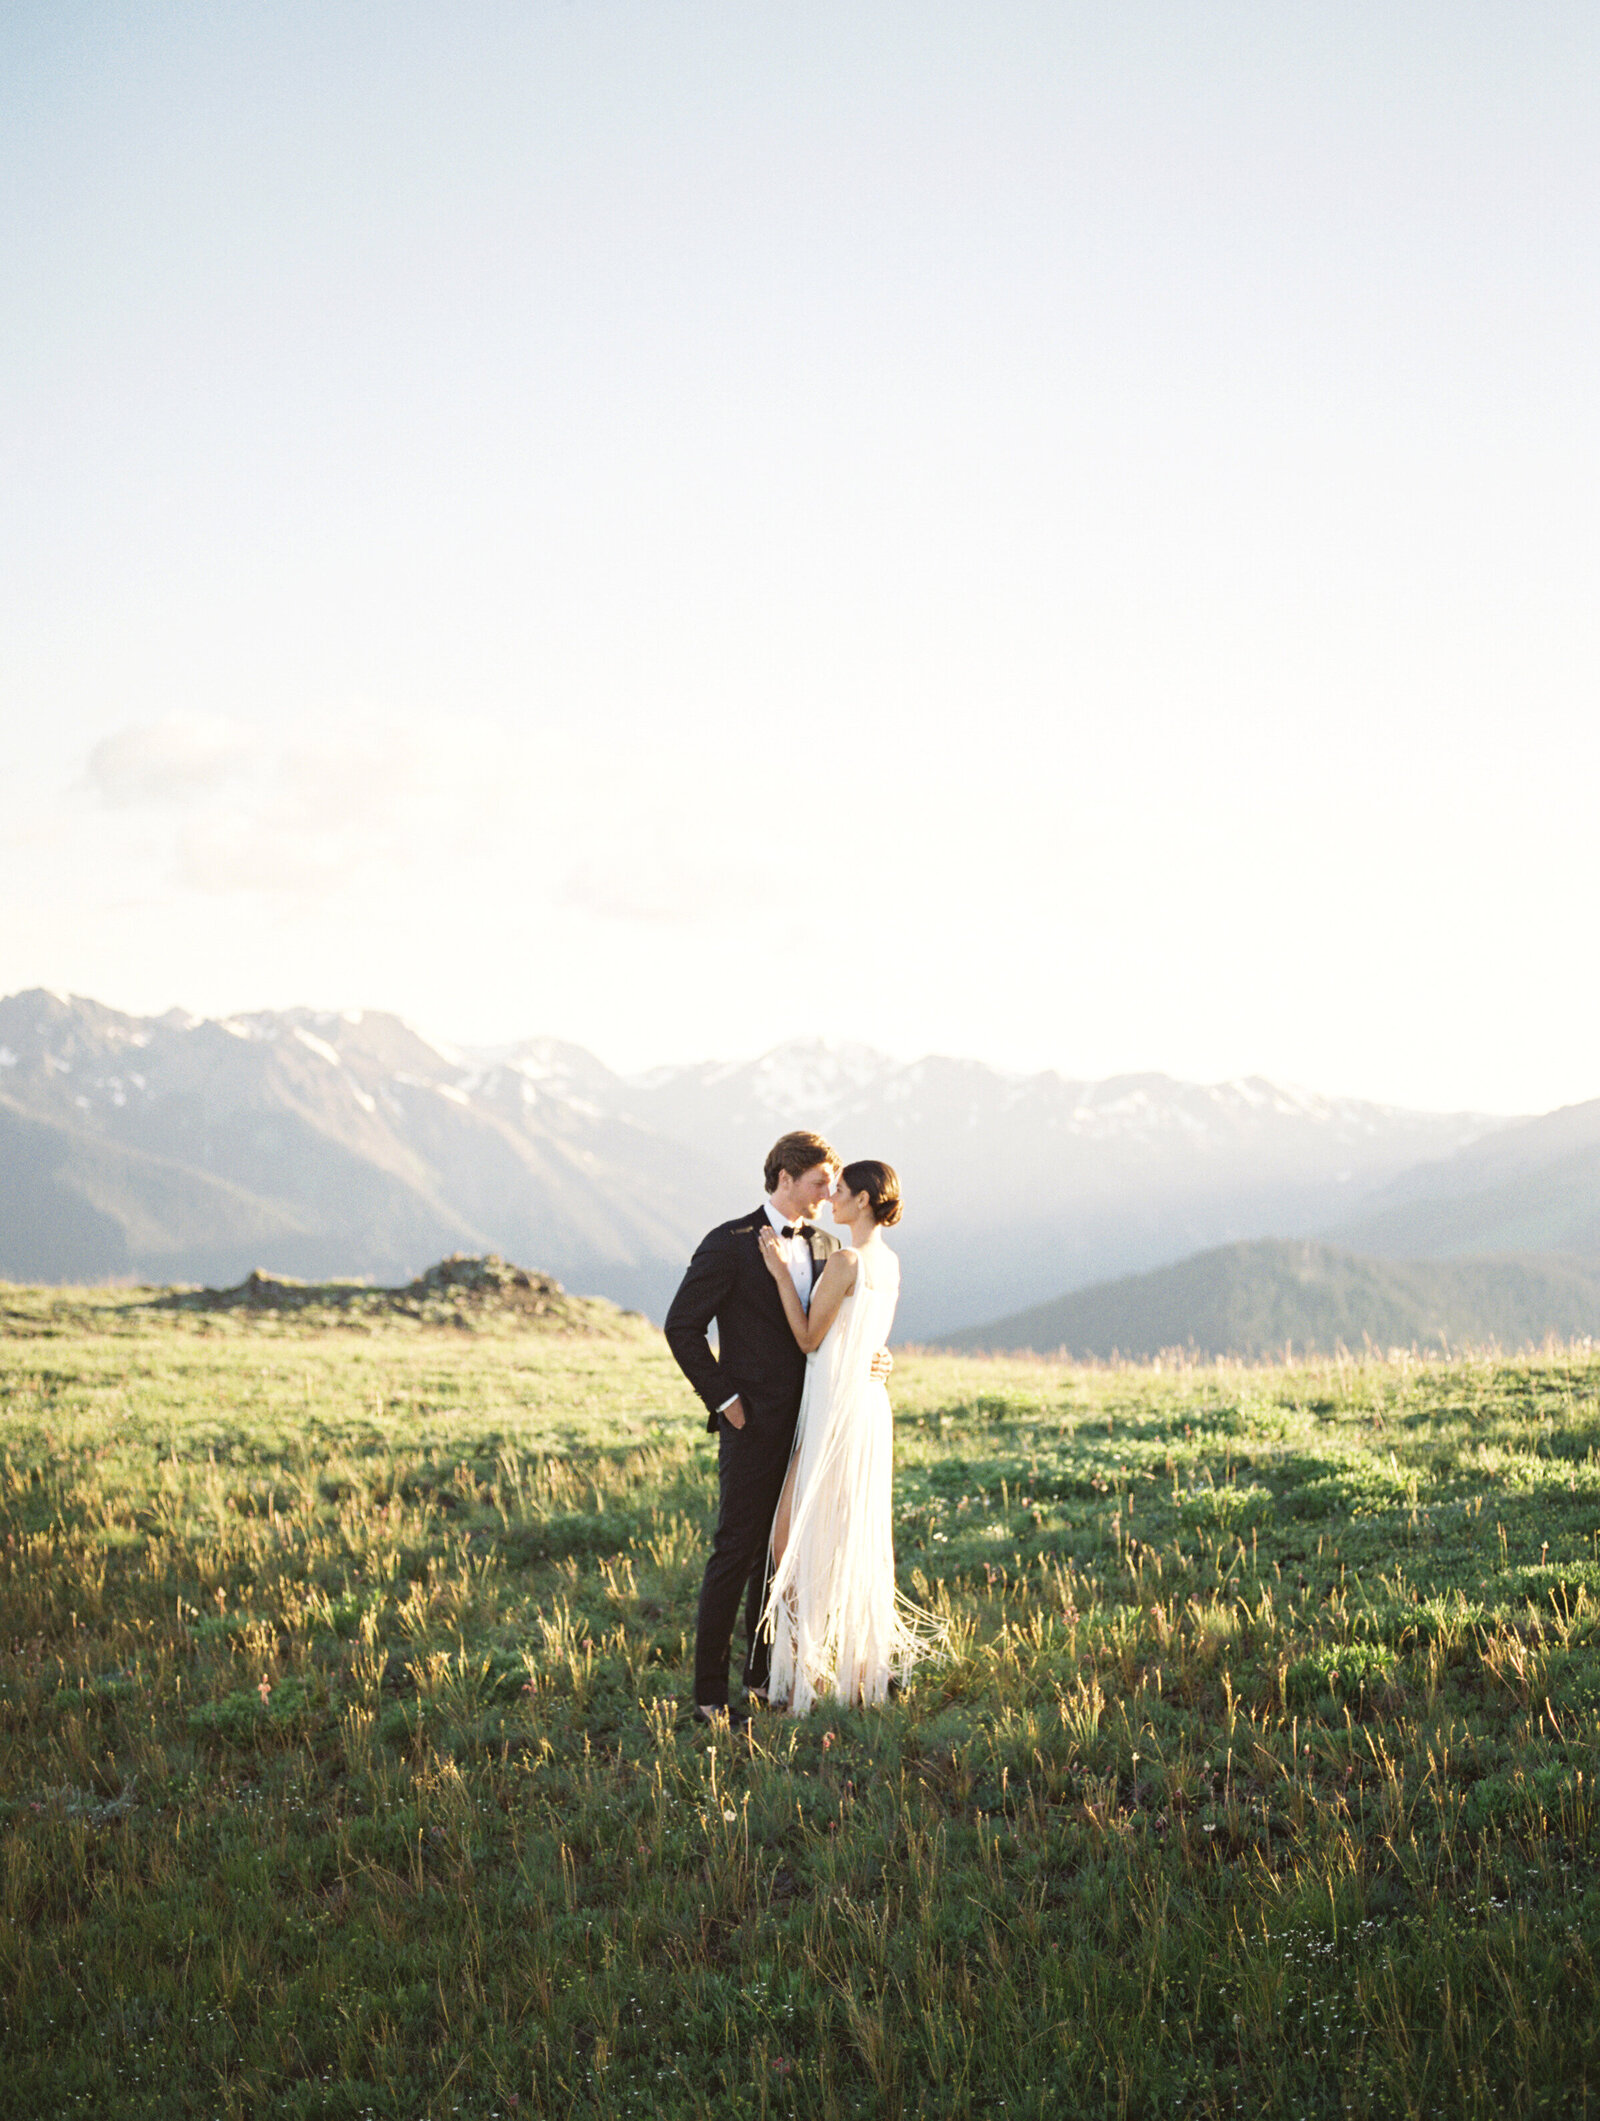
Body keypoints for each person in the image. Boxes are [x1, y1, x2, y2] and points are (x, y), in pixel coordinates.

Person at [664, 1132, 892, 1726]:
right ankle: (710, 1695)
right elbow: (681, 1327)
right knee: (736, 1553)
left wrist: (877, 1358)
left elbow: (837, 1324)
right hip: (752, 1421)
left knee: (782, 1555)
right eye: (821, 1182)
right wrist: (725, 1399)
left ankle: (764, 1678)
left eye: (833, 1185)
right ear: (787, 1177)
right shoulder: (729, 1242)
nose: (827, 1193)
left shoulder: (826, 1244)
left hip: (816, 1422)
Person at [757, 1158, 946, 1714]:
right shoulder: (889, 1263)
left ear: (864, 1200)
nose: (831, 1199)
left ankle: (796, 1676)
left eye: (839, 1191)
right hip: (867, 1406)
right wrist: (879, 1359)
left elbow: (809, 1338)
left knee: (790, 1538)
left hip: (836, 1407)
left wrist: (776, 1276)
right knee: (848, 1535)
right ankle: (851, 1673)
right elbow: (867, 1336)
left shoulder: (844, 1260)